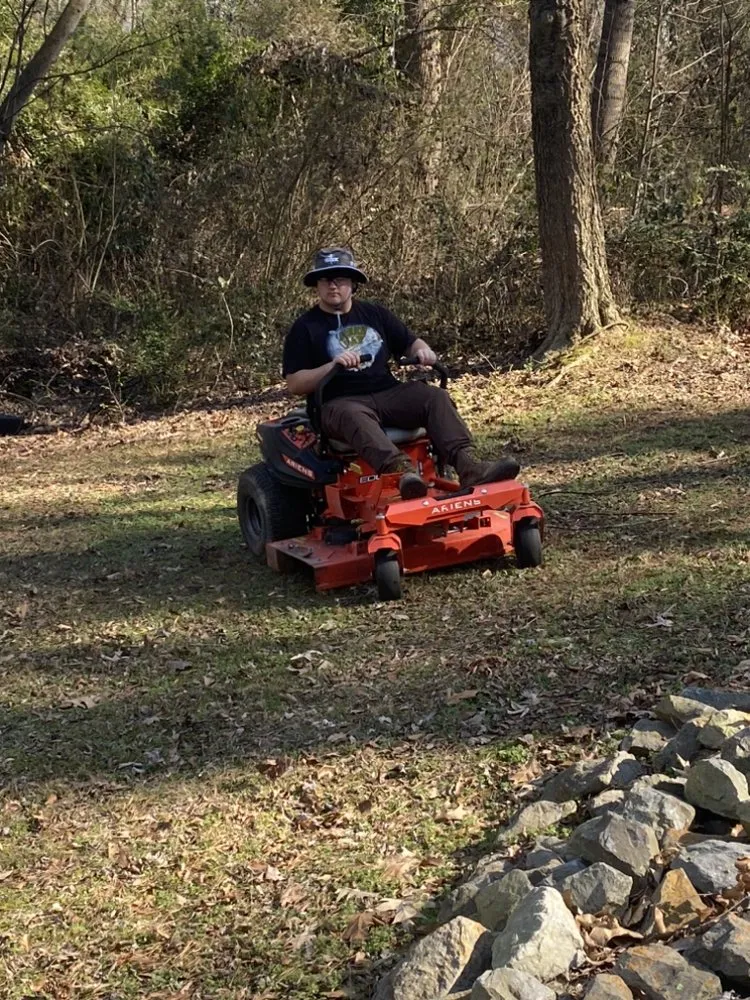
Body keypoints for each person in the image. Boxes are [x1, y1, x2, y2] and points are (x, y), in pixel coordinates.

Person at [282, 247, 520, 499]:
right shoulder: (304, 328)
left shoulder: (375, 314)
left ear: (352, 283)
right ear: (316, 286)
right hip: (339, 403)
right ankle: (402, 473)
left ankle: (469, 465)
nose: (333, 286)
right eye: (326, 279)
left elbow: (410, 342)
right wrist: (332, 365)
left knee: (434, 397)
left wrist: (423, 351)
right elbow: (295, 383)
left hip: (387, 392)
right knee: (353, 415)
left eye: (340, 279)